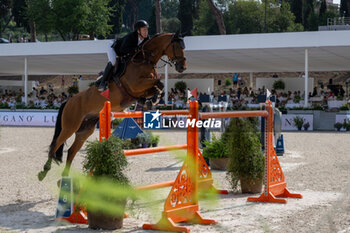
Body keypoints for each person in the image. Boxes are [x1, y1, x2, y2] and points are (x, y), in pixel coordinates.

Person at [97, 20, 150, 91]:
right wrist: (135, 49)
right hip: (114, 47)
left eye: (147, 30)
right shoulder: (131, 37)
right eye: (144, 30)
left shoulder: (146, 39)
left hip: (125, 52)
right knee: (113, 61)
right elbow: (123, 50)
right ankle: (102, 83)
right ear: (138, 31)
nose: (146, 32)